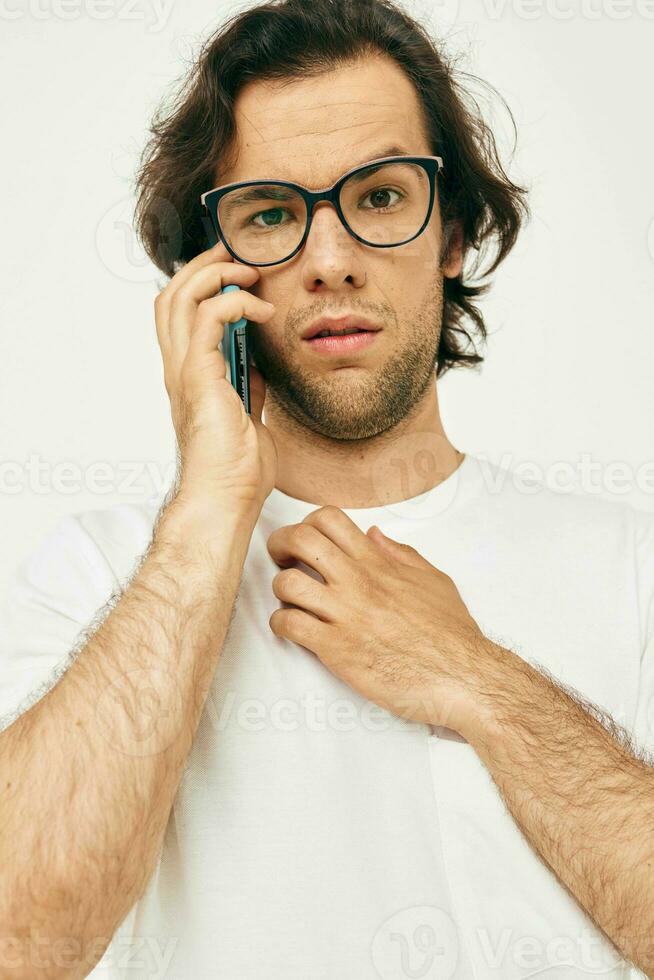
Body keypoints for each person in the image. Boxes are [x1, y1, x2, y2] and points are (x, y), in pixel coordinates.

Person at [1, 1, 653, 978]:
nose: (331, 259)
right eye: (271, 213)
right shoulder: (97, 570)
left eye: (382, 197)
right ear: (210, 274)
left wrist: (474, 676)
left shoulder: (629, 565)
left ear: (454, 234)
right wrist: (213, 500)